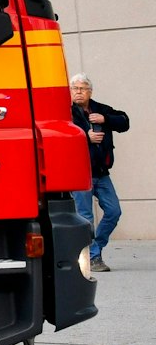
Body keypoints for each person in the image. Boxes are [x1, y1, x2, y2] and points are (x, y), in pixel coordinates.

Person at [70, 74, 130, 271]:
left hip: (102, 173)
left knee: (114, 211)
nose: (78, 91)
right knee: (85, 217)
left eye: (83, 88)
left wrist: (106, 119)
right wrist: (85, 137)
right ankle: (90, 259)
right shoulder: (66, 113)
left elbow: (124, 121)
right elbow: (61, 134)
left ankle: (95, 248)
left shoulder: (100, 109)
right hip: (80, 173)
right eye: (75, 88)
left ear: (90, 91)